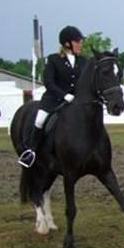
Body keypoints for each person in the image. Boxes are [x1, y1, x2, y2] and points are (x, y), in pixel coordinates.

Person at [18, 26, 86, 168]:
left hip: (75, 102)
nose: (81, 44)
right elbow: (48, 82)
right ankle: (31, 152)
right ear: (67, 44)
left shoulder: (83, 61)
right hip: (53, 100)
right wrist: (64, 95)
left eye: (80, 41)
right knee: (40, 120)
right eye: (77, 41)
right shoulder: (54, 59)